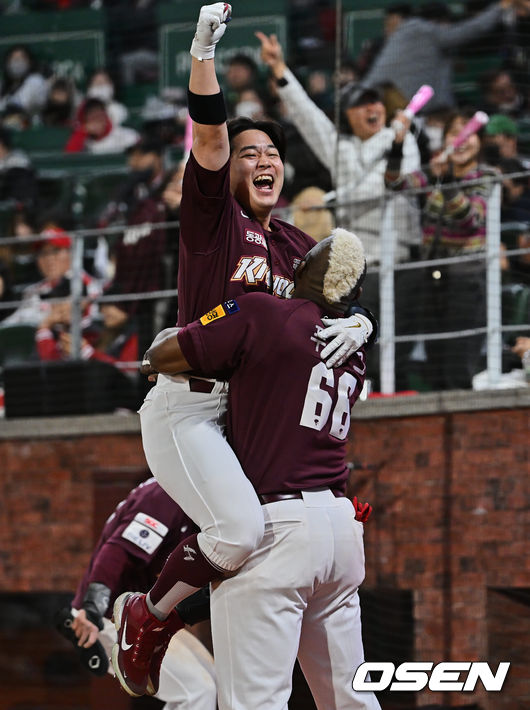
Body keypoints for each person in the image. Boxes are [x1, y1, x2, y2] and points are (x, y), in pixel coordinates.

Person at [109, 2, 375, 698]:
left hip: (242, 413)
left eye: (273, 155)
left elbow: (331, 307)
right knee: (241, 530)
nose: (263, 161)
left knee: (254, 533)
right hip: (187, 406)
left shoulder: (291, 242)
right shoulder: (212, 218)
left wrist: (362, 323)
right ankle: (150, 616)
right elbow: (209, 138)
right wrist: (203, 57)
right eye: (250, 153)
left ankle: (167, 613)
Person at [115, 229, 381, 710]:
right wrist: (363, 322)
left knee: (255, 704)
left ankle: (150, 613)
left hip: (280, 525)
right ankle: (160, 615)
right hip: (342, 530)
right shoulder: (356, 345)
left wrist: (156, 354)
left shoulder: (264, 313)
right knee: (352, 700)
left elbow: (166, 357)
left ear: (297, 271)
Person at [257, 31, 421, 268]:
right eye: (361, 104)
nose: (371, 108)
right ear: (347, 115)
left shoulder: (400, 139)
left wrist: (329, 199)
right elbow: (307, 115)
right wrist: (279, 68)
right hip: (355, 260)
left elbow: (384, 186)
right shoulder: (340, 146)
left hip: (399, 253)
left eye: (374, 101)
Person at [59, 476, 217, 710]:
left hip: (146, 614)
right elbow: (118, 552)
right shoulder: (165, 495)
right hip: (112, 614)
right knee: (198, 691)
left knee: (213, 680)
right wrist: (93, 608)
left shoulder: (185, 495)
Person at [385, 108, 498, 390]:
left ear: (480, 142)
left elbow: (470, 218)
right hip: (431, 277)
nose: (461, 140)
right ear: (446, 140)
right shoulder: (434, 173)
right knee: (434, 364)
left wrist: (446, 181)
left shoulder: (487, 176)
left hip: (466, 278)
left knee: (457, 363)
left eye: (469, 134)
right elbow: (394, 182)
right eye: (454, 133)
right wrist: (398, 142)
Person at [362, 0, 527, 114]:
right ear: (437, 21)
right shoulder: (419, 29)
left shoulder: (411, 34)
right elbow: (468, 31)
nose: (448, 28)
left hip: (384, 105)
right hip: (381, 105)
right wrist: (502, 6)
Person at [64, 98, 138, 154]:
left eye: (100, 116)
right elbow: (70, 157)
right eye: (92, 118)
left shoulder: (126, 135)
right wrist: (82, 132)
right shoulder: (83, 140)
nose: (97, 122)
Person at [0, 44, 47, 119]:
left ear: (29, 62)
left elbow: (23, 105)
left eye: (21, 58)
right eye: (13, 59)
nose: (17, 62)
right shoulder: (3, 85)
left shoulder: (36, 80)